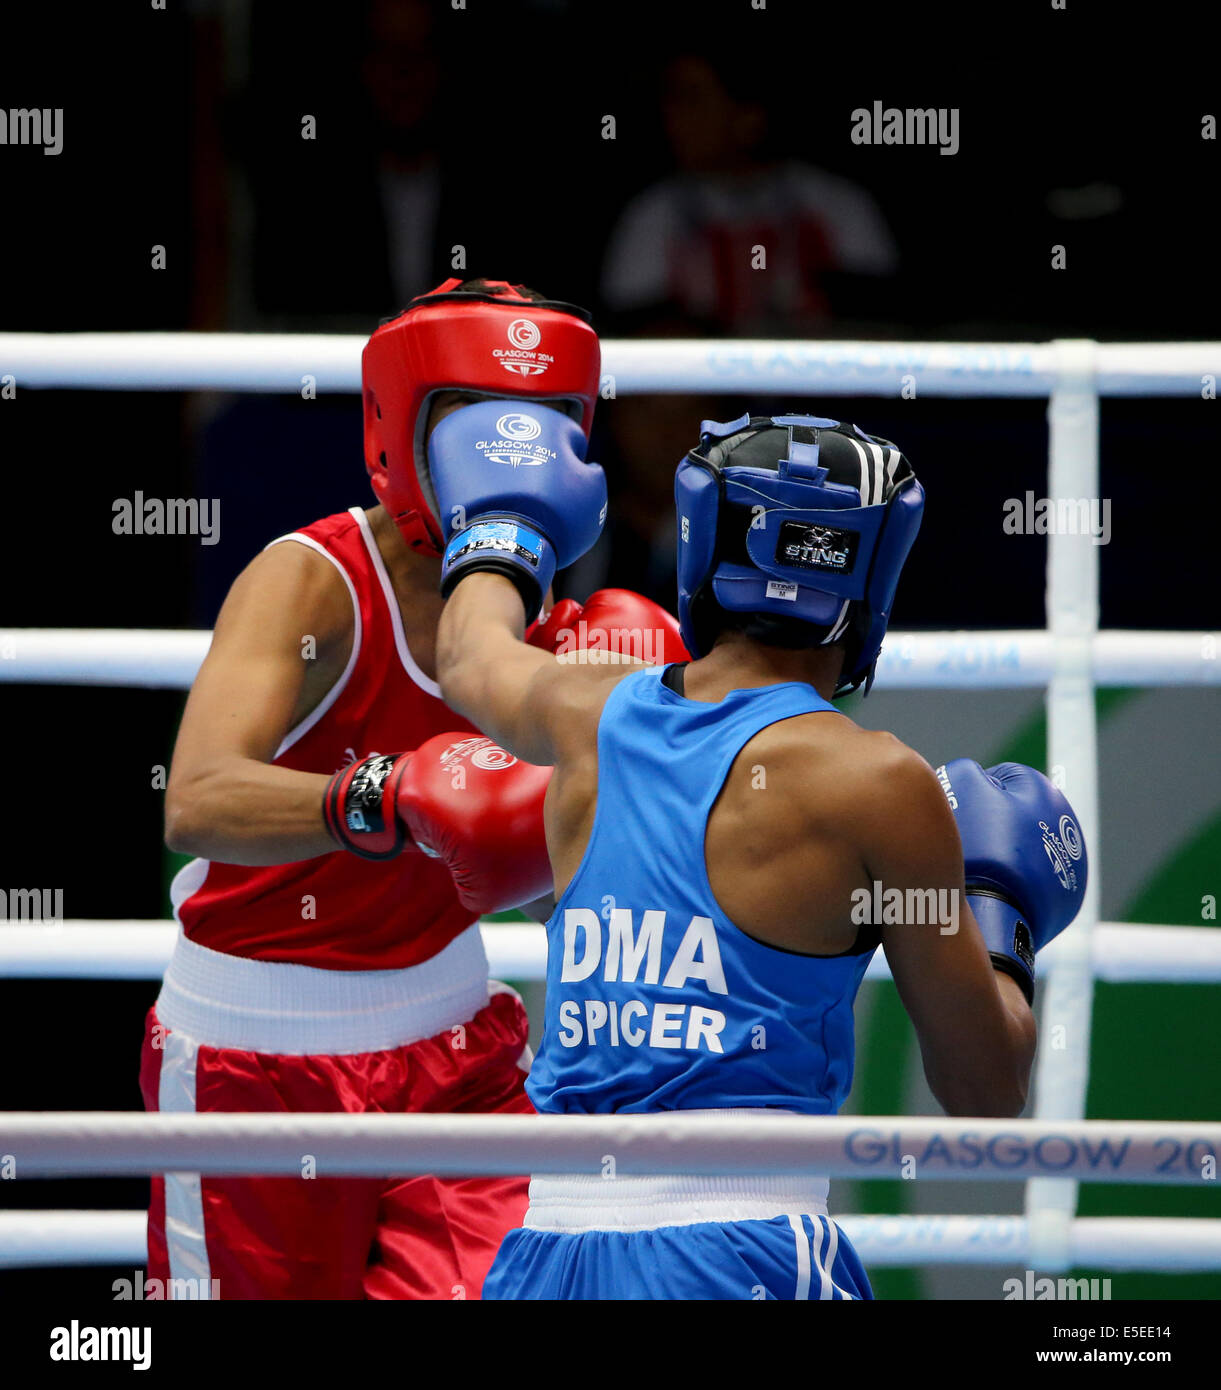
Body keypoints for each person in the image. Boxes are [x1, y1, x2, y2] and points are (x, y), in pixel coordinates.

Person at [428, 407, 1088, 1300]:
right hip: (742, 1249)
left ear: (706, 545)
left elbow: (468, 657)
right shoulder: (880, 786)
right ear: (873, 575)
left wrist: (506, 519)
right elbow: (981, 1085)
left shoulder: (582, 714)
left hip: (549, 1249)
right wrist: (996, 915)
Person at [142, 277, 685, 1300]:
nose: (514, 457)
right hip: (258, 1062)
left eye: (543, 424)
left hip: (456, 1047)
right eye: (482, 425)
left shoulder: (544, 613)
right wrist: (379, 797)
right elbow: (198, 797)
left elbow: (535, 866)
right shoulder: (310, 581)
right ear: (403, 424)